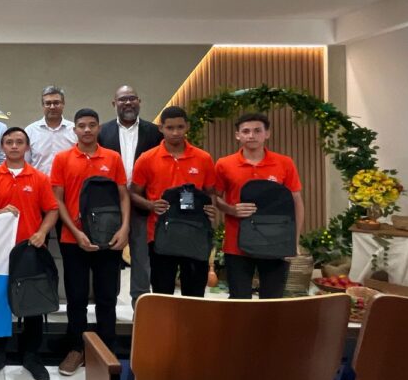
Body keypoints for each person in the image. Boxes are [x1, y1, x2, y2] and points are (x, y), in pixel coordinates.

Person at [0, 127, 59, 380]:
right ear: (2, 147)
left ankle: (31, 355)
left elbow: (52, 211)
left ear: (27, 147)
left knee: (32, 304)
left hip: (30, 252)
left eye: (19, 142)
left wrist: (43, 232)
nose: (13, 146)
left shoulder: (39, 178)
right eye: (9, 142)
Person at [50, 108, 130, 376]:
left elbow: (122, 196)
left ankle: (106, 349)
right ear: (74, 130)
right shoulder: (62, 159)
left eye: (91, 125)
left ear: (98, 128)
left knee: (108, 297)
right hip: (73, 240)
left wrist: (125, 228)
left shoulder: (113, 158)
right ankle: (76, 348)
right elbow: (57, 200)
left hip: (108, 238)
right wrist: (75, 231)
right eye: (81, 125)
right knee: (76, 298)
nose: (86, 129)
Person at [129, 106, 217, 298]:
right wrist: (151, 205)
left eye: (180, 127)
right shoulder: (147, 159)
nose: (175, 132)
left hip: (195, 234)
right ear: (161, 128)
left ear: (187, 127)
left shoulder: (203, 158)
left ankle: (192, 329)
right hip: (160, 235)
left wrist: (212, 209)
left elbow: (211, 192)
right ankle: (164, 329)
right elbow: (133, 193)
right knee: (162, 294)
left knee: (194, 295)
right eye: (170, 128)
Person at [214, 113, 304, 299]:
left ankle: (267, 330)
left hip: (276, 242)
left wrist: (293, 242)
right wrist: (231, 209)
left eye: (257, 130)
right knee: (239, 300)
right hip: (236, 245)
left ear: (267, 134)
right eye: (245, 131)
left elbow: (296, 203)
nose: (251, 135)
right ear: (238, 135)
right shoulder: (224, 164)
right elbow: (214, 198)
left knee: (272, 300)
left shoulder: (284, 163)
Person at [97, 85, 164, 306]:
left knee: (142, 258)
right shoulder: (102, 132)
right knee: (109, 258)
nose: (128, 103)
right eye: (123, 99)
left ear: (139, 101)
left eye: (132, 98)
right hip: (109, 206)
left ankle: (140, 306)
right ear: (114, 103)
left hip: (142, 203)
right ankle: (108, 305)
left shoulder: (155, 133)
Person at [25, 86, 77, 176]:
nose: (52, 107)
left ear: (63, 104)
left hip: (68, 187)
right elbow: (25, 163)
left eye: (56, 103)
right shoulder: (30, 131)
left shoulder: (74, 130)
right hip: (38, 186)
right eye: (48, 103)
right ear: (43, 105)